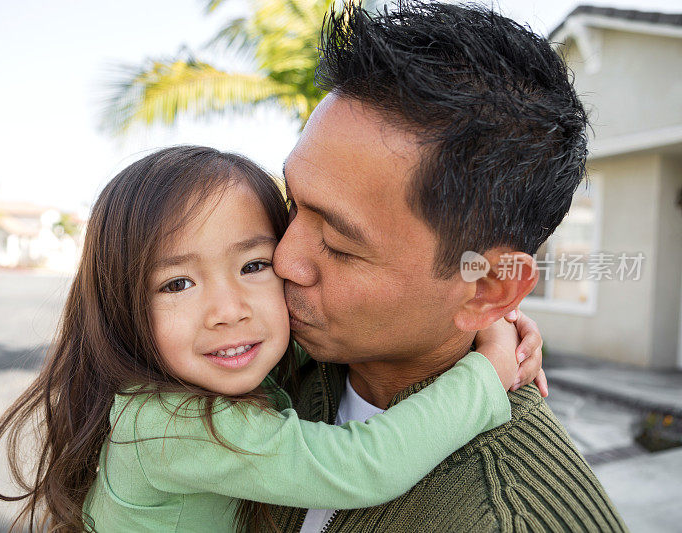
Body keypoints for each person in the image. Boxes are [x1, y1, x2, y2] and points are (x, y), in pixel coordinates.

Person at [0, 146, 544, 532]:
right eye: (178, 283)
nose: (229, 312)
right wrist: (489, 371)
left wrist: (478, 314)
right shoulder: (168, 425)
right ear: (121, 307)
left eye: (253, 265)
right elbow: (359, 466)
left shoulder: (230, 360)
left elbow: (339, 332)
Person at [264, 2, 627, 531]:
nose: (283, 259)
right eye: (292, 205)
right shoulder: (265, 361)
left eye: (340, 244)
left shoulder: (508, 516)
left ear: (487, 289)